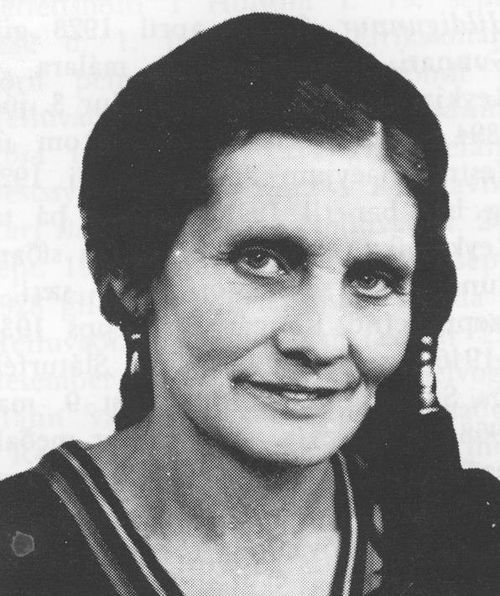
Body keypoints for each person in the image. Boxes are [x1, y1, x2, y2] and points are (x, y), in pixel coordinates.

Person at [0, 12, 498, 596]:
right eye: (261, 260)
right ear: (131, 275)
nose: (321, 341)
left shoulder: (472, 547)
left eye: (372, 278)